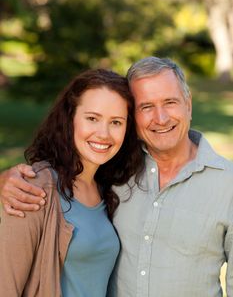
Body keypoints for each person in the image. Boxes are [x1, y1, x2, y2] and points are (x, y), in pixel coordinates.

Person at [1, 57, 233, 296]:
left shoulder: (227, 185)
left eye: (170, 102)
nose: (161, 118)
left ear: (189, 105)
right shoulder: (107, 173)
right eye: (146, 107)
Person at [0, 68, 143, 297]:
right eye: (92, 118)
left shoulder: (107, 187)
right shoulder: (33, 188)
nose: (103, 134)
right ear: (70, 118)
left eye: (116, 122)